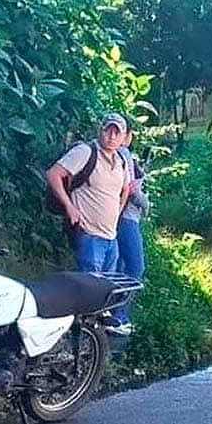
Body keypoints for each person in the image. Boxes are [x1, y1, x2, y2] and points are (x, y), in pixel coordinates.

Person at [46, 113, 130, 332]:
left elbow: (125, 189)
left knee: (104, 292)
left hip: (111, 236)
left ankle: (95, 343)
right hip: (89, 234)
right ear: (99, 130)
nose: (112, 136)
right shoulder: (85, 152)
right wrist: (70, 207)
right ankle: (80, 337)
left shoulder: (121, 160)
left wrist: (117, 213)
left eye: (117, 132)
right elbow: (54, 174)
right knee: (89, 290)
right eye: (107, 130)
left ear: (124, 137)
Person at [113, 122, 149, 334]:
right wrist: (146, 203)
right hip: (127, 217)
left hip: (113, 218)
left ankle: (113, 315)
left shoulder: (111, 154)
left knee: (118, 267)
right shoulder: (124, 153)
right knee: (135, 267)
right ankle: (120, 315)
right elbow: (132, 190)